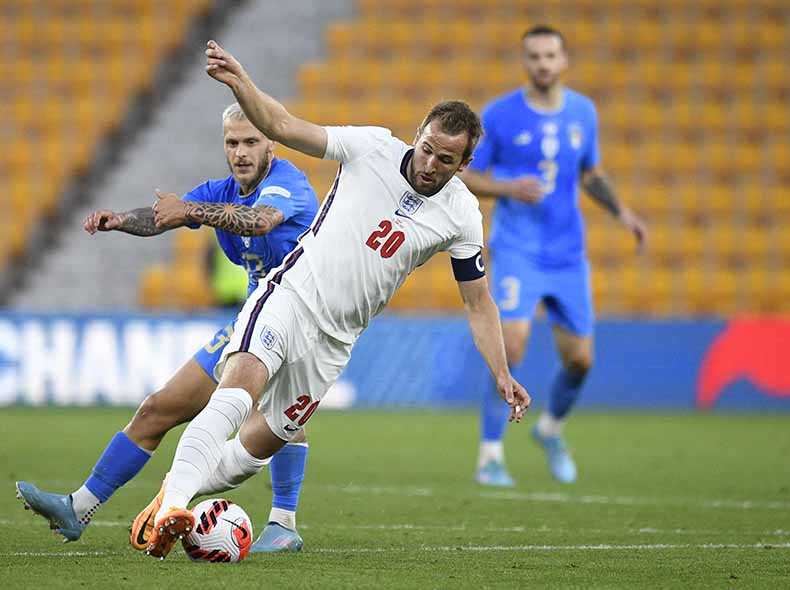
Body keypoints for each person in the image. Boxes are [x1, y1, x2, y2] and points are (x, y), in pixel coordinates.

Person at [135, 40, 532, 559]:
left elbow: (478, 303)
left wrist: (501, 373)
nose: (430, 163)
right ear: (418, 134)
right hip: (293, 295)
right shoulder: (371, 147)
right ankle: (174, 510)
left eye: (446, 159)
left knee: (257, 449)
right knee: (236, 392)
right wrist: (241, 83)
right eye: (428, 148)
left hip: (336, 341)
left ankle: (170, 498)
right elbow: (281, 126)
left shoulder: (462, 214)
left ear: (465, 164)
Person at [15, 103, 318, 553]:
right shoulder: (221, 189)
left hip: (300, 314)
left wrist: (193, 209)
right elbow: (166, 215)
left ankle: (283, 520)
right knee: (158, 408)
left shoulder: (287, 184)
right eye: (232, 142)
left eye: (251, 141)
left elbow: (260, 221)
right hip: (250, 318)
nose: (240, 152)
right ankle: (78, 507)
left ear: (271, 142)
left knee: (276, 418)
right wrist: (121, 221)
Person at [459, 25, 648, 487]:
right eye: (534, 56)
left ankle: (550, 430)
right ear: (525, 62)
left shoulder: (583, 112)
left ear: (564, 61)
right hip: (519, 249)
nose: (543, 63)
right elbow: (466, 176)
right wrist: (508, 188)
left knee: (581, 360)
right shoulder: (500, 115)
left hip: (568, 254)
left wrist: (623, 213)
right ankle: (490, 455)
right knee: (515, 345)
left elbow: (591, 173)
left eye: (550, 56)